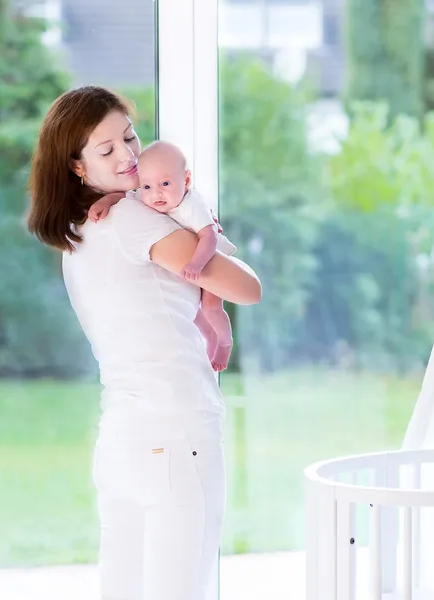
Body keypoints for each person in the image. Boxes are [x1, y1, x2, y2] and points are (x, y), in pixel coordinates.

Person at [26, 85, 262, 600]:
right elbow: (247, 288)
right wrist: (201, 226)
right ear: (77, 168)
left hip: (123, 441)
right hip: (176, 434)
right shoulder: (132, 220)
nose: (129, 156)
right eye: (106, 150)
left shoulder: (80, 231)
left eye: (130, 138)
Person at [87, 140, 236, 372]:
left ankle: (225, 343)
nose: (156, 193)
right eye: (147, 186)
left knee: (210, 307)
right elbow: (126, 196)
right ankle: (209, 340)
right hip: (185, 261)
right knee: (193, 313)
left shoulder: (191, 204)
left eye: (165, 184)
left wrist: (197, 264)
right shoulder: (144, 197)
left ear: (186, 180)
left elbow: (210, 237)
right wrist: (105, 201)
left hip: (208, 258)